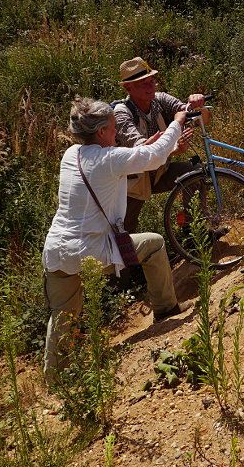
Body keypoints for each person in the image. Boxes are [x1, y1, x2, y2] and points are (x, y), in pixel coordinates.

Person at [42, 97, 192, 386]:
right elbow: (152, 158)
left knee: (62, 317)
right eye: (113, 128)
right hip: (92, 252)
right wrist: (176, 123)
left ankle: (55, 382)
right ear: (100, 132)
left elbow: (135, 162)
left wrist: (150, 148)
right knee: (155, 244)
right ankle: (166, 309)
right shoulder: (109, 159)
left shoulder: (70, 155)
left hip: (57, 252)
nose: (117, 133)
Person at [114, 56, 209, 233]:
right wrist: (173, 150)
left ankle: (195, 232)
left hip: (158, 173)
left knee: (194, 174)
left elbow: (199, 119)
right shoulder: (121, 113)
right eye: (144, 83)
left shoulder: (160, 100)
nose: (151, 87)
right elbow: (143, 154)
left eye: (152, 81)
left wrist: (197, 106)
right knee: (124, 233)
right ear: (128, 87)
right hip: (131, 185)